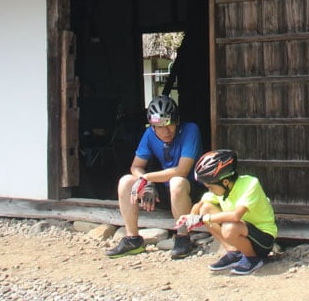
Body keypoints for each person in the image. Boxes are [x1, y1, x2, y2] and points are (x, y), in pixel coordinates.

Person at [106, 95, 203, 259]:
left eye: (170, 125)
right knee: (126, 181)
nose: (166, 131)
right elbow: (136, 166)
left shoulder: (191, 130)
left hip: (191, 191)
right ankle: (132, 239)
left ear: (177, 121)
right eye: (159, 127)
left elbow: (182, 171)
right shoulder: (149, 135)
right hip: (165, 192)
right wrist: (147, 183)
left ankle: (183, 237)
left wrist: (146, 178)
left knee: (177, 182)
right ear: (152, 126)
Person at [179, 149, 277, 275]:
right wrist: (191, 216)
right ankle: (234, 253)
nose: (210, 191)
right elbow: (201, 204)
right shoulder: (222, 190)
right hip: (241, 230)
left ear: (225, 182)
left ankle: (252, 259)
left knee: (229, 227)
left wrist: (203, 219)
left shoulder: (250, 184)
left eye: (210, 187)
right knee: (206, 208)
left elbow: (236, 216)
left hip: (262, 240)